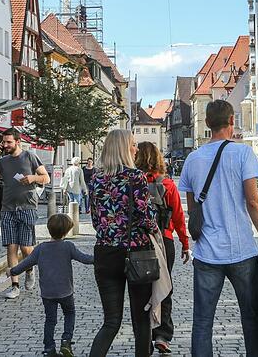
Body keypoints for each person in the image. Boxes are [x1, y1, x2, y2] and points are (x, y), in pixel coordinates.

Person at [179, 99, 258, 357]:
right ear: (232, 122)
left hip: (207, 252)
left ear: (207, 124)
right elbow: (254, 202)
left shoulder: (193, 159)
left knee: (202, 322)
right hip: (241, 249)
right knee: (251, 317)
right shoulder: (242, 153)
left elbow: (193, 209)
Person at [88, 129, 159, 357]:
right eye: (133, 144)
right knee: (141, 321)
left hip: (106, 253)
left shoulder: (96, 179)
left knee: (111, 322)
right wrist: (155, 230)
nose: (136, 149)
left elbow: (95, 219)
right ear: (123, 148)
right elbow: (146, 216)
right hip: (136, 252)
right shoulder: (135, 177)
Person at [7, 214, 93, 357]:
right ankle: (66, 341)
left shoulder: (41, 249)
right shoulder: (68, 246)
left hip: (47, 293)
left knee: (50, 320)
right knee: (70, 314)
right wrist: (100, 259)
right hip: (66, 291)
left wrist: (12, 271)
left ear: (49, 229)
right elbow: (84, 258)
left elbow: (25, 264)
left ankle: (49, 348)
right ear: (66, 232)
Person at [134, 142, 190, 355]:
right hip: (165, 241)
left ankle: (144, 338)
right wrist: (185, 244)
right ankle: (163, 336)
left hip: (140, 242)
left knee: (141, 291)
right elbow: (178, 217)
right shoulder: (167, 184)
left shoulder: (133, 183)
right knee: (165, 288)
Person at [0, 128, 50, 299]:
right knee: (11, 247)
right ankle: (14, 285)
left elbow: (46, 178)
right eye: (4, 142)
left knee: (26, 248)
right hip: (8, 209)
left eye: (9, 142)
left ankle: (29, 268)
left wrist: (33, 178)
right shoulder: (3, 161)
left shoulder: (29, 156)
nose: (5, 145)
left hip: (27, 208)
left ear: (17, 142)